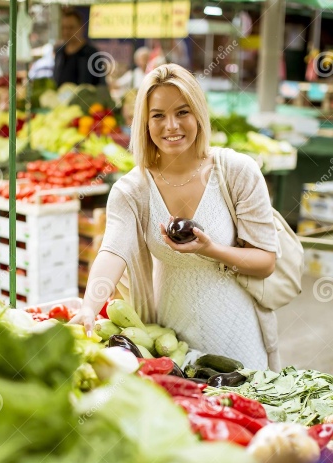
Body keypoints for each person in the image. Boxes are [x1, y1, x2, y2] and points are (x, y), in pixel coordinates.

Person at [71, 64, 280, 370]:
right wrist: (89, 307)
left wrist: (210, 250)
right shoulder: (133, 190)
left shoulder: (236, 172)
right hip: (171, 341)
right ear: (144, 123)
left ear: (199, 114)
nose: (171, 126)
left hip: (238, 333)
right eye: (158, 115)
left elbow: (266, 262)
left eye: (182, 112)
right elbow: (113, 250)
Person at [53, 8, 106, 87]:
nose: (66, 32)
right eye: (63, 28)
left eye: (71, 28)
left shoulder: (92, 53)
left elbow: (100, 85)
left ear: (81, 28)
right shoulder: (59, 52)